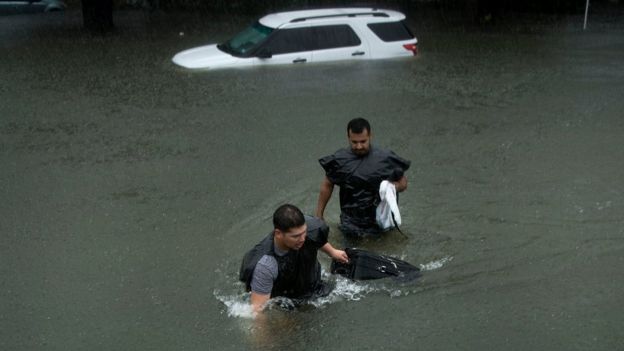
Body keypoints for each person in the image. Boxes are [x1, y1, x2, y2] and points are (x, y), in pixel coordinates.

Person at [239, 204, 348, 315]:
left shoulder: (307, 229)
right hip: (286, 300)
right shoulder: (266, 265)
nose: (302, 239)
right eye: (296, 236)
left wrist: (333, 252)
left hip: (313, 284)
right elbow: (257, 310)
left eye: (304, 233)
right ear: (278, 234)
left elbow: (314, 236)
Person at [316, 118, 411, 237]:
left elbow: (403, 183)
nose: (359, 146)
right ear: (348, 137)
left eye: (363, 141)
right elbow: (327, 185)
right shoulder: (340, 160)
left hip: (379, 221)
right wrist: (319, 215)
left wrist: (391, 187)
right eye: (354, 142)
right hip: (350, 222)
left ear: (370, 135)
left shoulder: (385, 159)